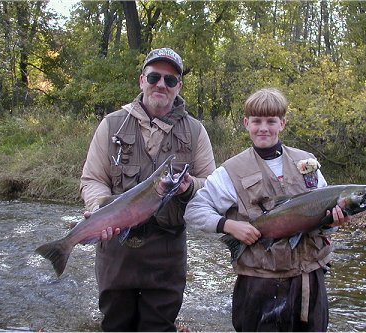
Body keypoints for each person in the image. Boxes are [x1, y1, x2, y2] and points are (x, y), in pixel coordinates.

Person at [184, 87, 349, 332]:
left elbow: (324, 216)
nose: (264, 128)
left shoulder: (308, 162)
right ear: (246, 123)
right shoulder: (230, 171)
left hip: (309, 281)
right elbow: (194, 210)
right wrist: (229, 226)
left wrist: (332, 223)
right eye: (257, 121)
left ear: (282, 123)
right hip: (257, 285)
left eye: (271, 121)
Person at [79, 47, 215, 332]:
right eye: (154, 77)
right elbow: (92, 179)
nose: (161, 85)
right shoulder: (111, 125)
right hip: (116, 248)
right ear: (142, 80)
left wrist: (190, 187)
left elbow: (211, 185)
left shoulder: (196, 131)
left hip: (167, 253)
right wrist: (98, 210)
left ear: (179, 86)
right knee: (116, 325)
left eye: (170, 80)